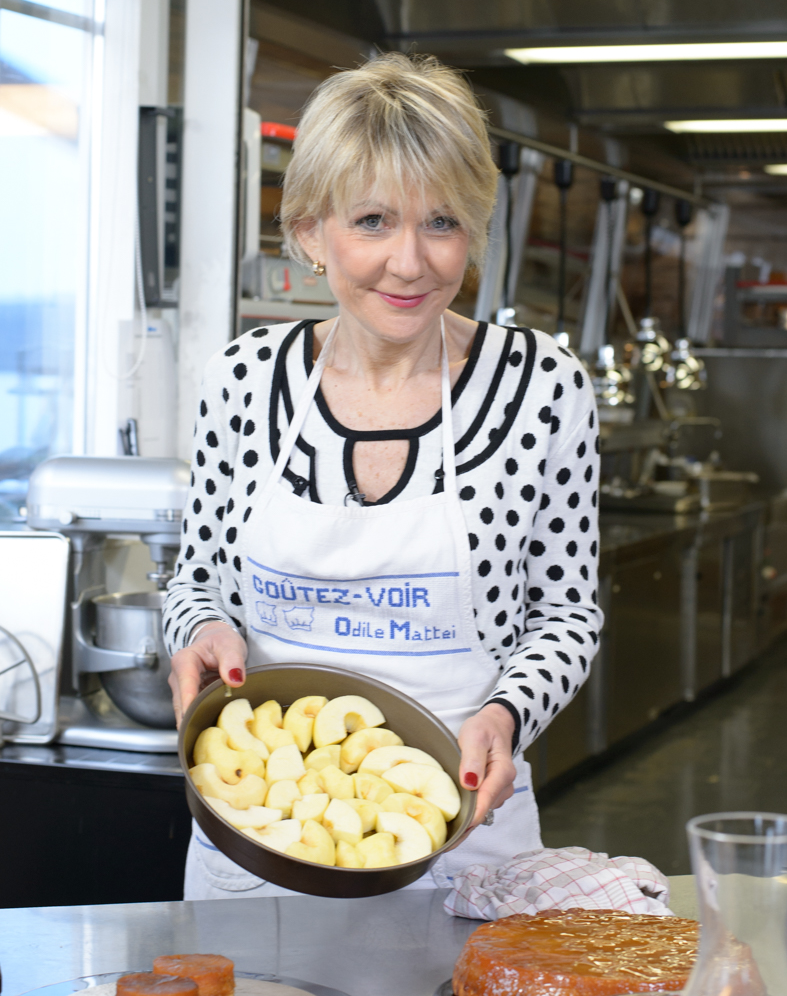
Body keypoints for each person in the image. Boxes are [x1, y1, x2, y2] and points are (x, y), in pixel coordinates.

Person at [163, 52, 602, 899]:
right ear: (307, 233)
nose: (410, 263)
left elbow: (566, 611)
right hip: (262, 844)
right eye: (371, 221)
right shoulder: (245, 381)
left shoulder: (541, 386)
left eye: (441, 222)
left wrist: (504, 714)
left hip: (464, 842)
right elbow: (197, 580)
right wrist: (199, 631)